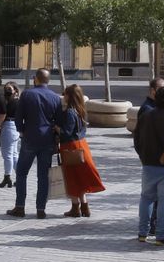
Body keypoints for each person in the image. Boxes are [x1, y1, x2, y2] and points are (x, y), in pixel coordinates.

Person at [8, 69, 62, 219]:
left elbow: (19, 116)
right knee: (43, 176)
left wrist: (21, 131)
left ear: (35, 79)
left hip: (30, 137)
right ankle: (41, 209)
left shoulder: (27, 94)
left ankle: (20, 206)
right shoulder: (55, 98)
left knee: (21, 172)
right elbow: (58, 121)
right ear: (48, 80)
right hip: (47, 140)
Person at [133, 86, 164, 244]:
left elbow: (137, 139)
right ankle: (160, 235)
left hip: (148, 163)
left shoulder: (146, 116)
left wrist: (143, 156)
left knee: (146, 198)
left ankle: (142, 232)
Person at [55, 84, 104, 218]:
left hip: (71, 147)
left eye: (65, 93)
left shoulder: (70, 112)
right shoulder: (81, 109)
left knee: (72, 177)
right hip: (81, 146)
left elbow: (66, 132)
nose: (63, 96)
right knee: (81, 177)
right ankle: (85, 207)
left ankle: (75, 208)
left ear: (70, 96)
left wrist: (56, 128)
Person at [0, 82, 21, 188]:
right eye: (5, 89)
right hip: (14, 127)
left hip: (9, 126)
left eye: (9, 89)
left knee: (7, 154)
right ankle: (20, 177)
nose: (7, 91)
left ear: (15, 90)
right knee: (14, 154)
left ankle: (7, 177)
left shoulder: (14, 102)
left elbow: (3, 113)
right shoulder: (13, 101)